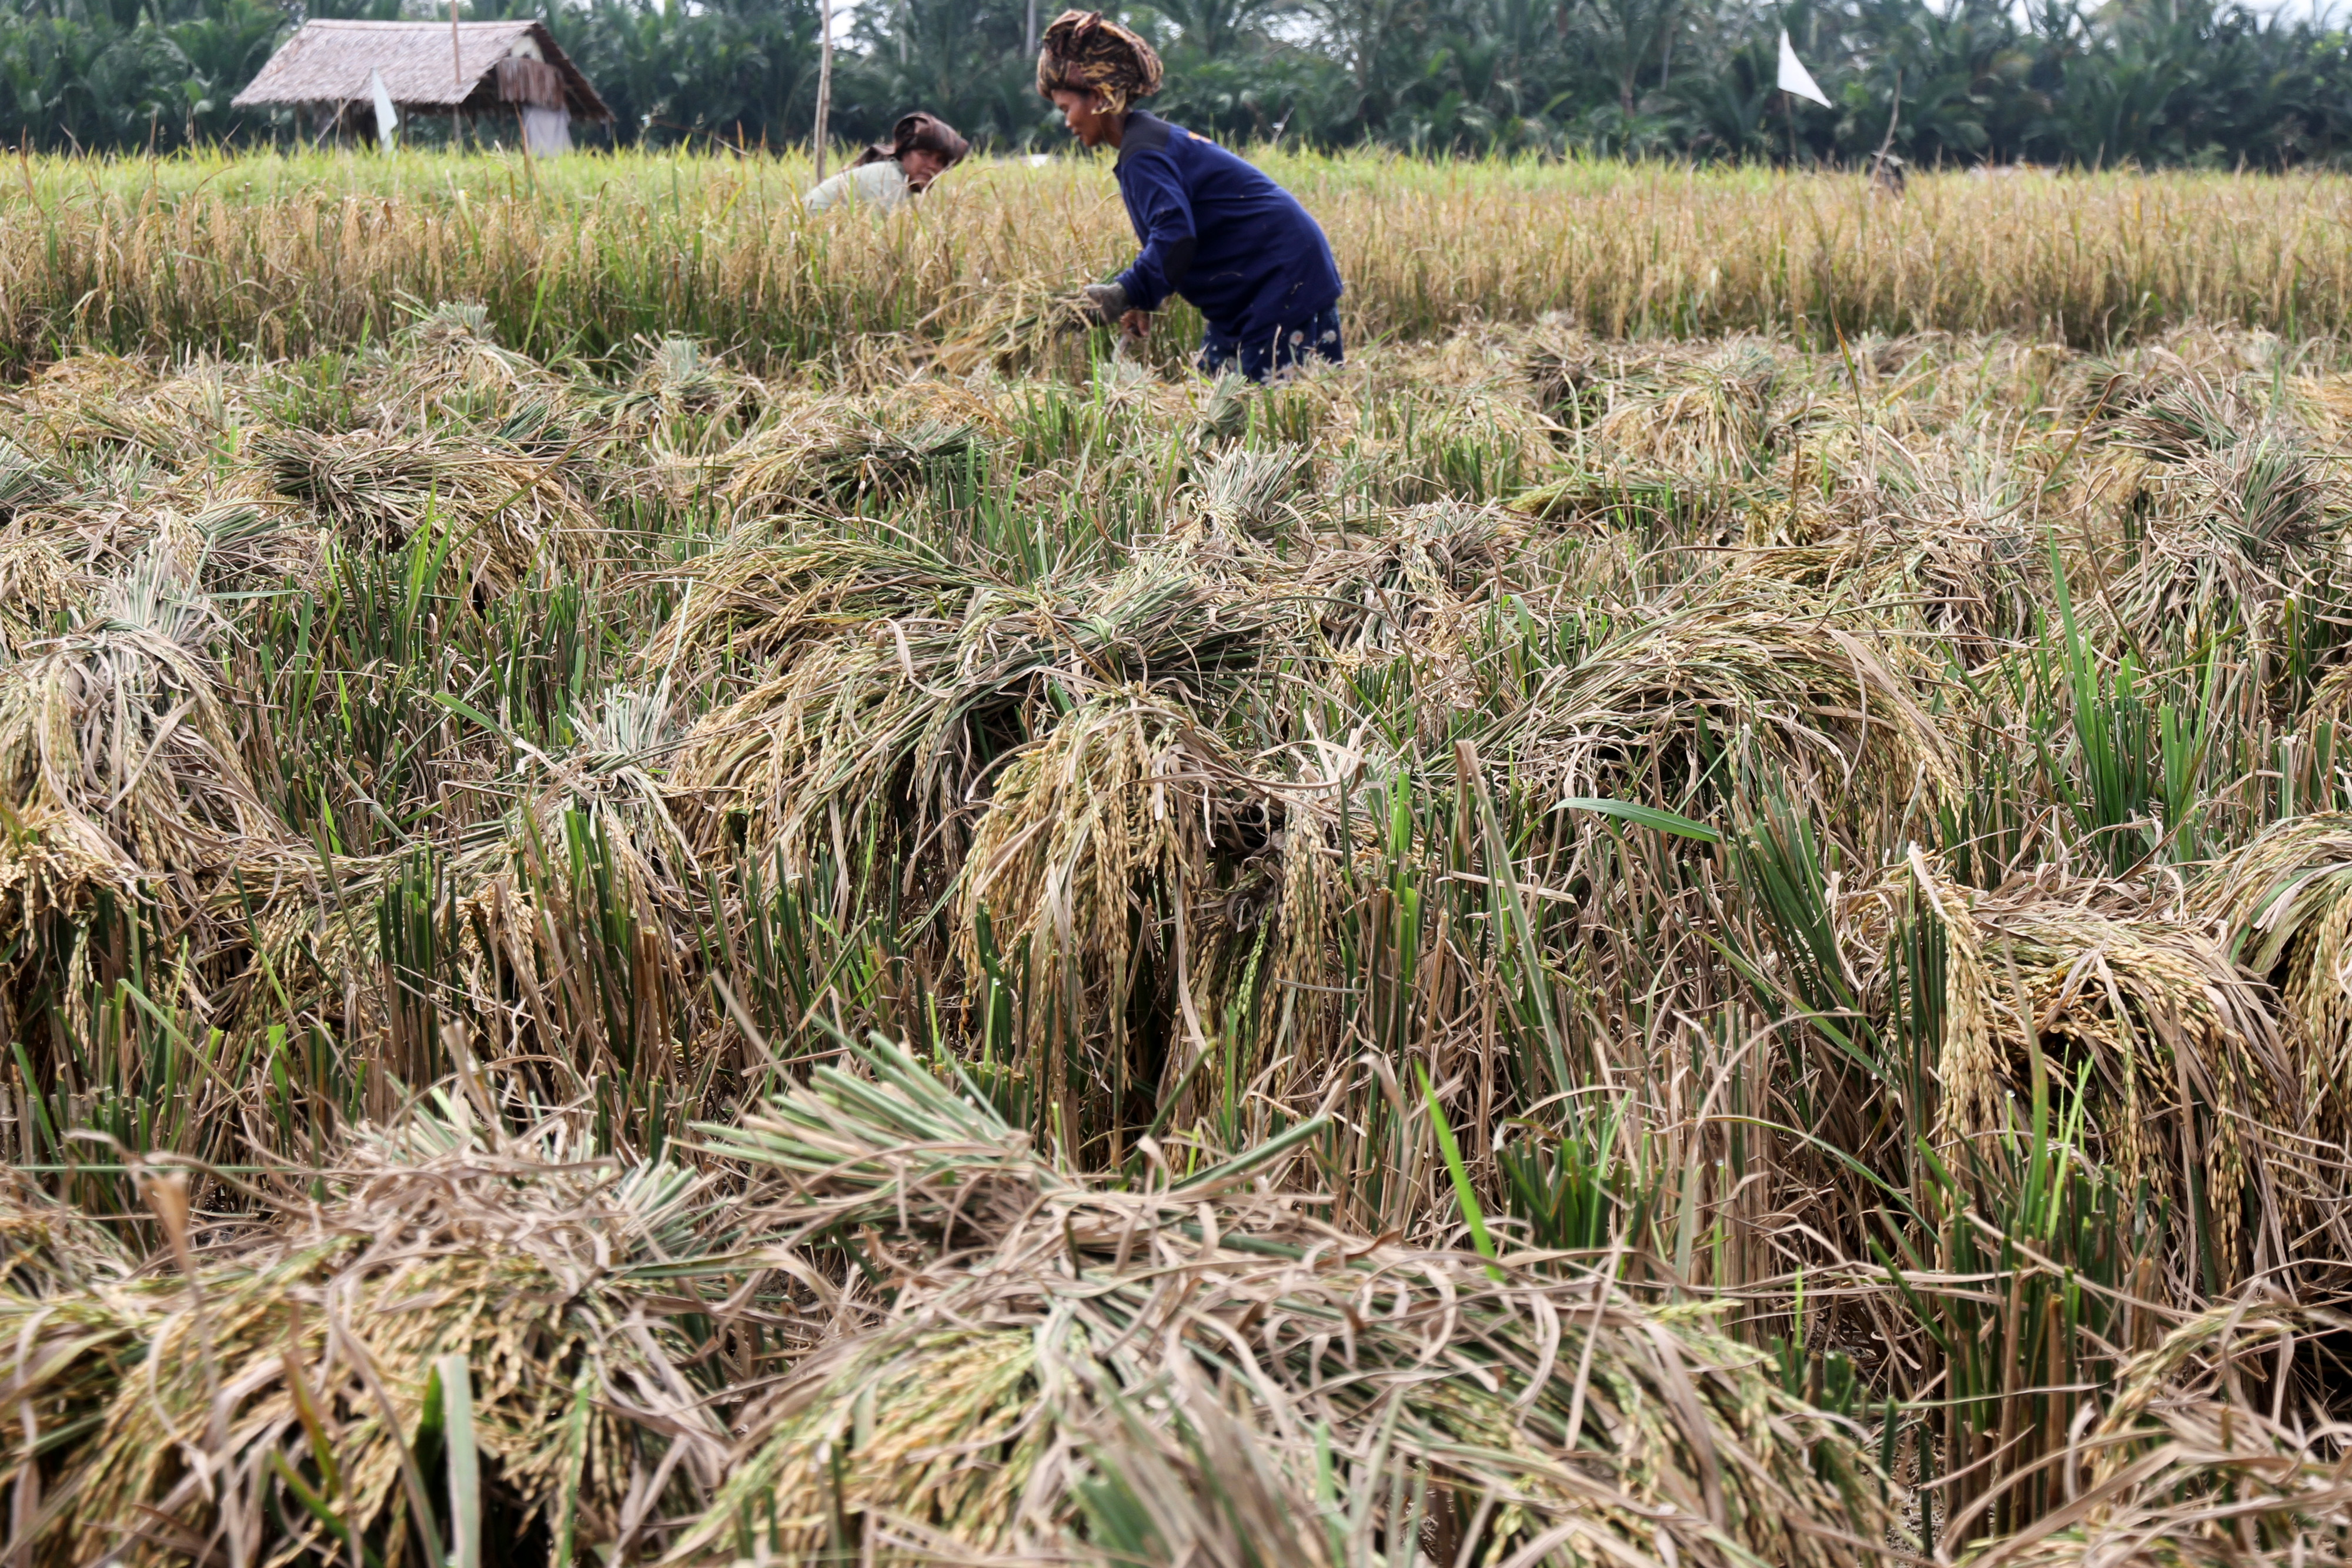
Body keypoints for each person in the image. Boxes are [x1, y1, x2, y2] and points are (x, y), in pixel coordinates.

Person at [1037, 11, 1344, 383]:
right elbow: (1172, 240)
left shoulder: (1143, 155)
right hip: (1256, 285)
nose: (1067, 122)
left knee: (1267, 407)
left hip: (1280, 279)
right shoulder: (1147, 143)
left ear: (1099, 97)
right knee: (1214, 391)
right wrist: (1144, 296)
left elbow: (1176, 236)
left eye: (1066, 108)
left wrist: (1125, 291)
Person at [804, 112, 971, 214]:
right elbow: (886, 244)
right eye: (925, 155)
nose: (933, 166)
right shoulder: (889, 178)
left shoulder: (894, 179)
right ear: (904, 153)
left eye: (941, 162)